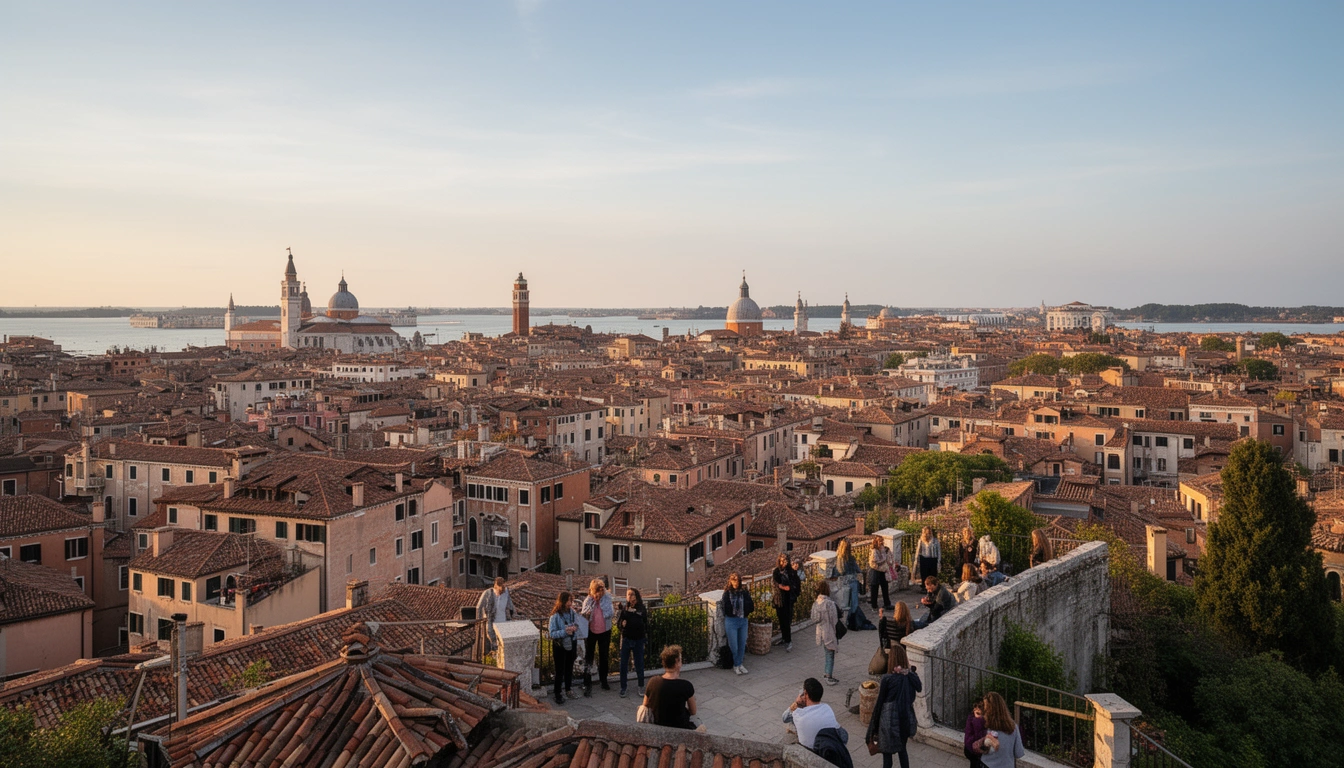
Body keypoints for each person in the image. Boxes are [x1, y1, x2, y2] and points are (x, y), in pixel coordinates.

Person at [865, 644, 922, 768]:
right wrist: (908, 672)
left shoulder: (887, 679)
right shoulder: (910, 677)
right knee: (903, 751)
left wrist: (873, 728)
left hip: (888, 721)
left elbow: (879, 703)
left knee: (887, 756)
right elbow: (919, 687)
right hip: (905, 719)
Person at [643, 644, 697, 729]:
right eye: (681, 660)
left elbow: (645, 705)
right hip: (680, 727)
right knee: (698, 722)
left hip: (657, 725)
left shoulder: (652, 682)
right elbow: (693, 711)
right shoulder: (686, 686)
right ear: (677, 662)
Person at [783, 677, 843, 751]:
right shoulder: (827, 709)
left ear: (805, 694)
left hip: (809, 751)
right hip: (828, 748)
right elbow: (844, 736)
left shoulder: (798, 714)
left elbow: (784, 718)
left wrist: (796, 703)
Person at [971, 692, 1025, 768]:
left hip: (987, 765)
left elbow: (974, 748)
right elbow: (1019, 753)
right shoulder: (1013, 727)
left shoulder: (985, 726)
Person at [580, 579, 614, 695]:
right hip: (591, 632)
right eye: (597, 592)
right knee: (589, 657)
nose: (599, 595)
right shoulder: (588, 601)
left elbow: (610, 613)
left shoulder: (607, 599)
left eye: (601, 592)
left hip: (605, 631)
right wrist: (587, 613)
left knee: (604, 656)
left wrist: (602, 606)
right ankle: (587, 682)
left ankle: (604, 680)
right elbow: (583, 616)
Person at [547, 591, 580, 706]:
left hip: (571, 643)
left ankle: (568, 689)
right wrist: (565, 632)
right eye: (568, 601)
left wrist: (574, 628)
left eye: (571, 600)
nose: (570, 603)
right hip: (560, 646)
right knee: (559, 670)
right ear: (563, 601)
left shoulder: (573, 613)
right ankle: (557, 693)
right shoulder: (555, 616)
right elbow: (552, 633)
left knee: (569, 668)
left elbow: (577, 624)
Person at [720, 572, 755, 675]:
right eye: (734, 581)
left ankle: (739, 664)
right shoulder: (727, 594)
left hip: (743, 620)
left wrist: (744, 611)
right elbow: (726, 608)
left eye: (737, 581)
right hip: (731, 621)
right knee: (734, 646)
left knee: (742, 644)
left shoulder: (744, 592)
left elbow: (751, 605)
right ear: (730, 582)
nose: (736, 583)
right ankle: (737, 664)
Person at [616, 588, 647, 698]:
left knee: (639, 664)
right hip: (626, 639)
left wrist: (645, 638)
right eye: (628, 595)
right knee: (623, 664)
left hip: (638, 639)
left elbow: (645, 622)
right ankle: (623, 687)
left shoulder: (641, 608)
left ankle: (641, 686)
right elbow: (618, 623)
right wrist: (622, 624)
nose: (629, 597)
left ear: (636, 596)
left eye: (631, 594)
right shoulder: (624, 608)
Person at [811, 580, 841, 685]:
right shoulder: (830, 604)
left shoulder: (815, 603)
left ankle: (826, 673)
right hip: (829, 631)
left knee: (827, 652)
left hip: (820, 632)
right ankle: (828, 676)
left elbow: (814, 619)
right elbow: (834, 619)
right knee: (830, 654)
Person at [475, 577, 517, 649]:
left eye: (502, 591)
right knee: (493, 643)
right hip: (492, 623)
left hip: (504, 622)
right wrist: (479, 622)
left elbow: (510, 605)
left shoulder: (506, 592)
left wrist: (514, 614)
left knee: (503, 644)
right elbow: (479, 607)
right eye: (499, 591)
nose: (500, 593)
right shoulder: (487, 593)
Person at [772, 554, 800, 652]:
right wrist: (783, 587)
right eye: (782, 561)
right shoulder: (776, 572)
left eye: (785, 561)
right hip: (779, 599)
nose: (784, 563)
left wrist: (790, 588)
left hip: (788, 600)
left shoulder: (791, 572)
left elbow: (796, 584)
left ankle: (788, 640)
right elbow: (775, 583)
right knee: (781, 619)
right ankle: (784, 638)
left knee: (787, 620)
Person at [868, 534, 894, 610]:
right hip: (876, 571)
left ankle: (887, 603)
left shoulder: (883, 549)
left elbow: (887, 558)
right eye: (880, 541)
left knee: (885, 587)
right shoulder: (874, 551)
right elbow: (873, 562)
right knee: (874, 588)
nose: (882, 542)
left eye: (882, 541)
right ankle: (874, 605)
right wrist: (881, 565)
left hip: (883, 571)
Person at [964, 696, 987, 768]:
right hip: (971, 748)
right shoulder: (973, 720)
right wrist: (978, 720)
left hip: (977, 748)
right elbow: (978, 735)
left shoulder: (982, 720)